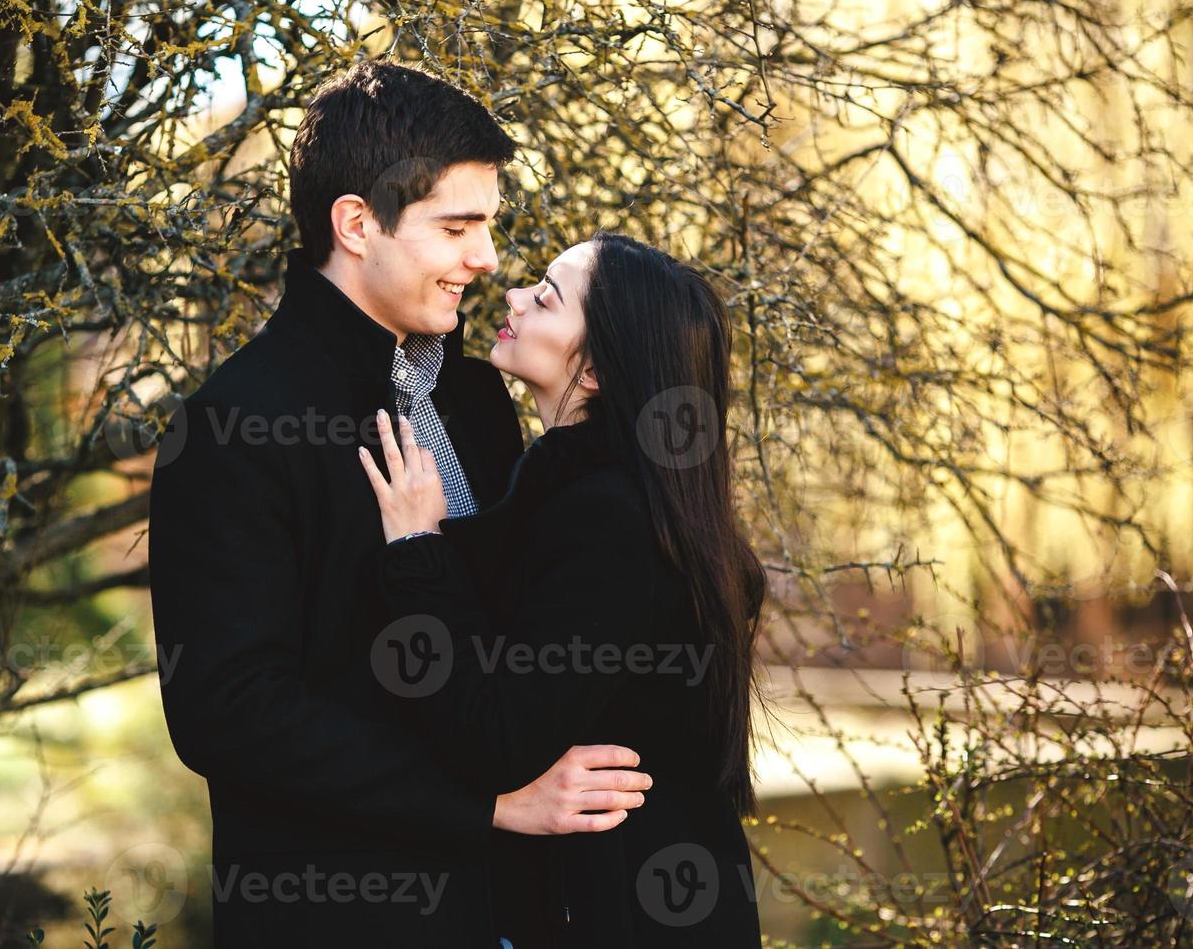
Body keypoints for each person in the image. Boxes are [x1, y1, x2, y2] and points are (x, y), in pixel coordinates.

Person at [147, 62, 650, 947]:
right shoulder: (234, 422)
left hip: (517, 911)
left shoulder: (474, 397)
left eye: (486, 226)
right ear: (355, 224)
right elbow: (229, 713)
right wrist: (483, 806)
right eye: (456, 227)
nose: (486, 259)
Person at [358, 233, 768, 946]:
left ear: (600, 370)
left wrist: (417, 551)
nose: (513, 297)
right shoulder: (609, 500)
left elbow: (501, 735)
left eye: (544, 297)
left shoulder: (609, 522)